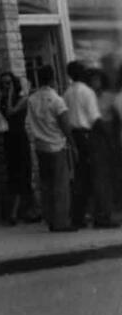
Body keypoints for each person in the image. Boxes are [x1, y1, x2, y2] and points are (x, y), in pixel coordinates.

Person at [25, 65, 73, 231]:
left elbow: (29, 122)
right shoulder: (56, 100)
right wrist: (72, 142)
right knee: (60, 185)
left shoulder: (32, 99)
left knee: (46, 184)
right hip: (56, 145)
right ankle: (62, 221)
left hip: (40, 146)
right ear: (53, 79)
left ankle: (50, 218)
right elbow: (65, 123)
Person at [64, 60, 100, 228]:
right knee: (93, 174)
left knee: (80, 176)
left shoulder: (67, 93)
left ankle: (79, 214)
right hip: (87, 134)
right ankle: (95, 214)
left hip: (74, 135)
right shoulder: (87, 92)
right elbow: (94, 117)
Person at [0, 70, 34, 225]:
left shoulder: (21, 98)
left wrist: (10, 94)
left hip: (20, 138)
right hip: (9, 139)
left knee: (24, 173)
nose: (6, 86)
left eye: (9, 83)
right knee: (14, 174)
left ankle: (19, 211)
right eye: (3, 83)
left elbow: (11, 111)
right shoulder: (2, 99)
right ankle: (20, 211)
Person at [85, 66, 118, 229]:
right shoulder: (87, 96)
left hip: (110, 136)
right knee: (100, 177)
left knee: (109, 176)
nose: (95, 83)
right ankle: (102, 213)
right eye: (92, 80)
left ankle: (108, 211)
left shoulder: (108, 97)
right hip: (97, 137)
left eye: (97, 80)